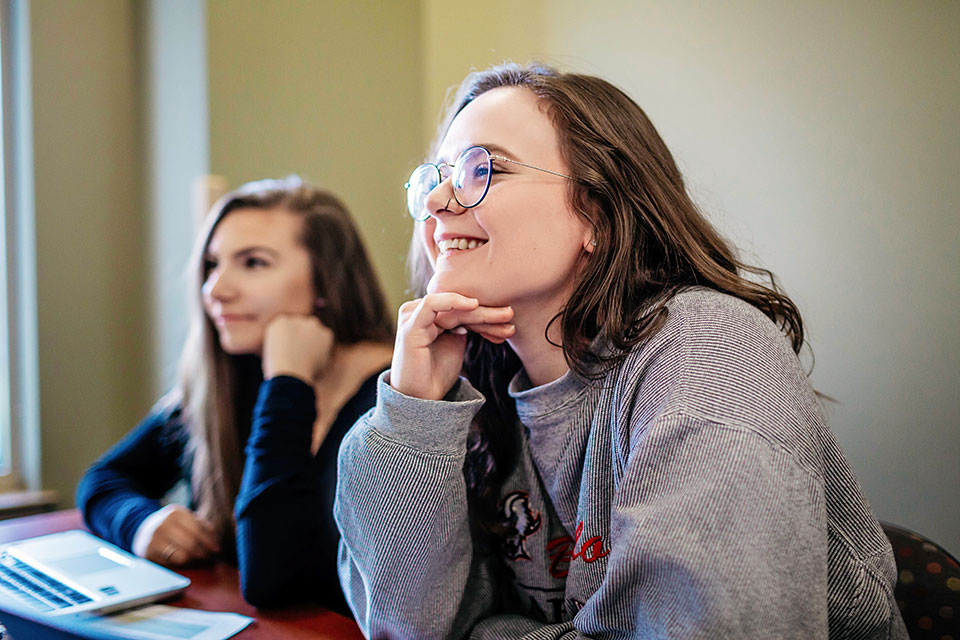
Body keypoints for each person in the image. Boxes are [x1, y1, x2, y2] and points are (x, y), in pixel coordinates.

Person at [334, 64, 907, 638]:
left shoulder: (708, 347)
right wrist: (413, 418)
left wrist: (484, 632)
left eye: (482, 169)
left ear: (598, 216)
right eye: (433, 178)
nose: (436, 202)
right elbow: (410, 627)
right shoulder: (471, 383)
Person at [77, 177, 394, 613]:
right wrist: (140, 523)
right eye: (212, 264)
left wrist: (288, 382)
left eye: (253, 263)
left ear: (326, 280)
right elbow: (103, 479)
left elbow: (275, 580)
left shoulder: (395, 397)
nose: (215, 290)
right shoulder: (233, 374)